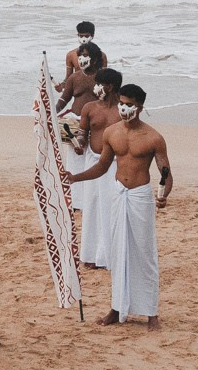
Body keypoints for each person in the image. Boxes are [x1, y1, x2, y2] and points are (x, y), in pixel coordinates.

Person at [65, 81, 171, 327]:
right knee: (117, 249)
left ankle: (151, 312)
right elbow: (102, 166)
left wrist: (164, 193)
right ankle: (116, 307)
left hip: (140, 195)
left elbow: (165, 171)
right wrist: (75, 177)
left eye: (129, 105)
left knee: (144, 251)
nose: (124, 109)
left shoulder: (154, 137)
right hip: (118, 192)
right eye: (122, 104)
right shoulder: (112, 132)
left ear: (140, 107)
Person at [73, 68, 126, 270]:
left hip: (113, 163)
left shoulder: (121, 110)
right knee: (92, 205)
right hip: (92, 160)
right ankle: (90, 254)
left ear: (110, 86)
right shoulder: (89, 108)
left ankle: (110, 255)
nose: (96, 88)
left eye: (99, 84)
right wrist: (78, 143)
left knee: (110, 207)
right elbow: (82, 132)